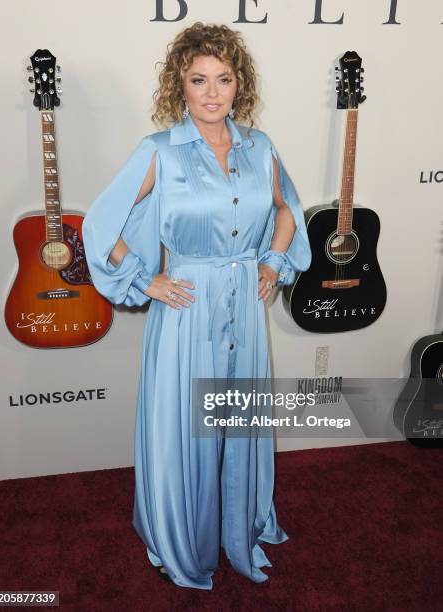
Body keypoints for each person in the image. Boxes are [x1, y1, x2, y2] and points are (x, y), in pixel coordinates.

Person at [82, 21, 312, 590]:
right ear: (179, 86)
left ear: (240, 85)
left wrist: (273, 263)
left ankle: (238, 525)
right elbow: (97, 224)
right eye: (198, 79)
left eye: (224, 79)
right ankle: (183, 535)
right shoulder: (157, 151)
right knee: (185, 429)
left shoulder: (262, 149)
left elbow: (288, 209)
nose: (212, 92)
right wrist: (145, 279)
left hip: (245, 305)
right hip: (186, 310)